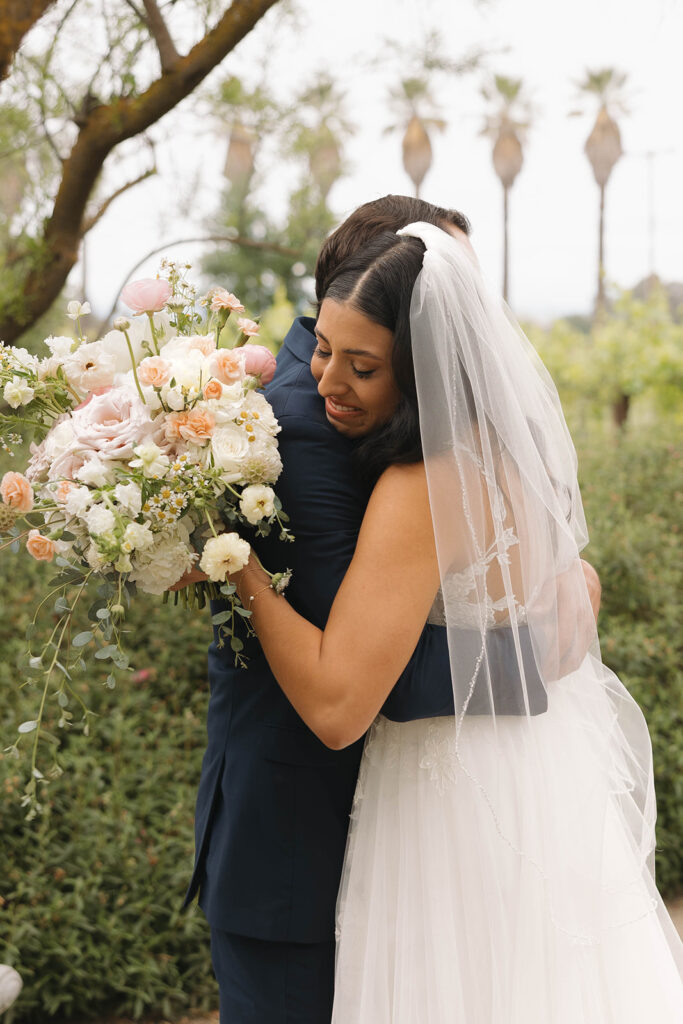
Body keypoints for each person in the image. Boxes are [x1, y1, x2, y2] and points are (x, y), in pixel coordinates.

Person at [227, 222, 683, 1020]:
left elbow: (338, 706)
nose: (326, 379)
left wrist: (236, 567)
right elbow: (563, 600)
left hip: (446, 803)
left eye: (361, 366)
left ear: (425, 367)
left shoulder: (422, 486)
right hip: (541, 783)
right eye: (323, 348)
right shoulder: (517, 455)